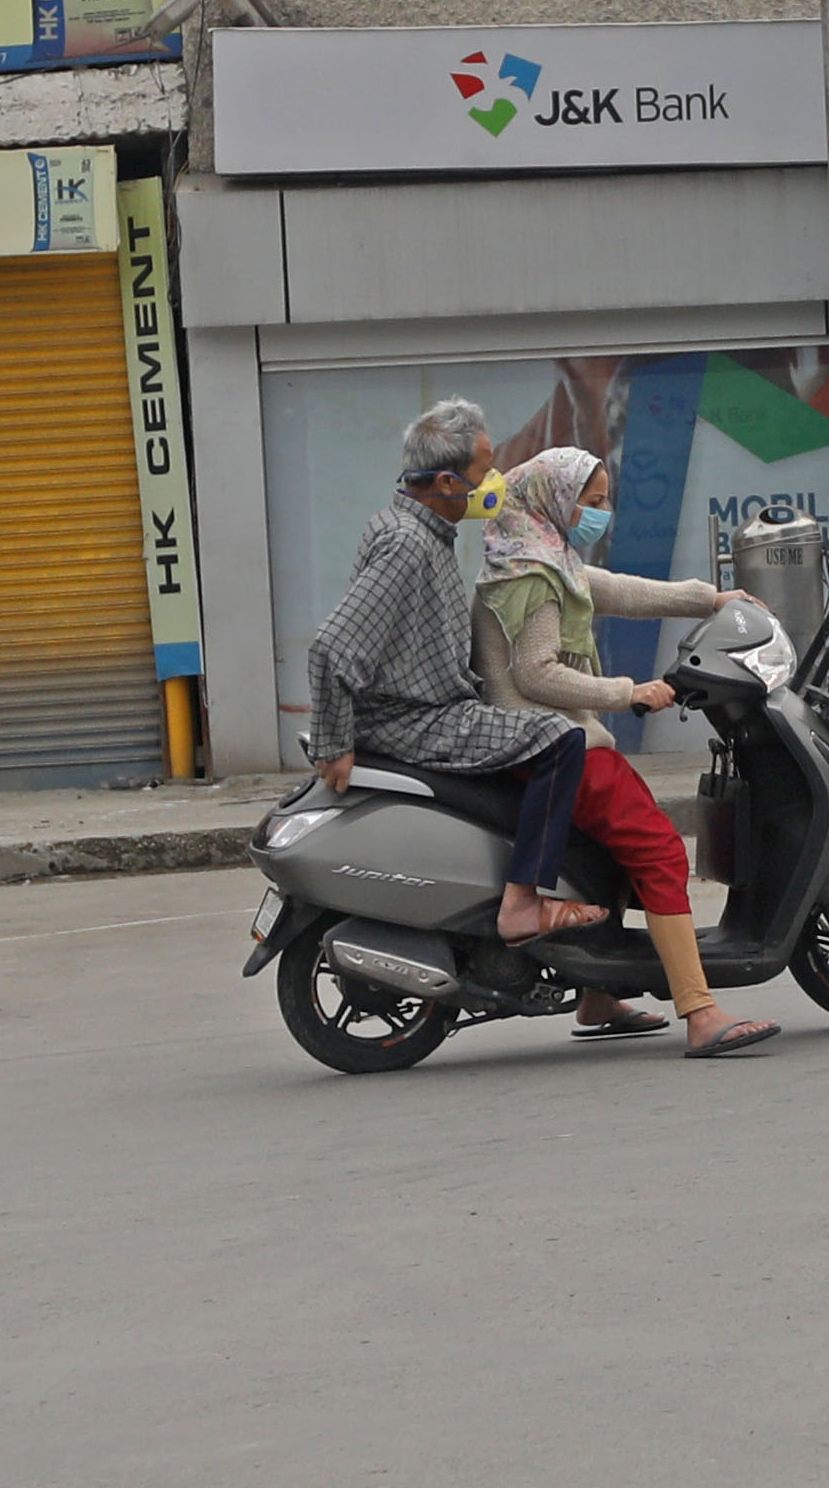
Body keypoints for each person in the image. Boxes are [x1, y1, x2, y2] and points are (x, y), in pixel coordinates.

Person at [476, 447, 774, 1057]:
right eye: (592, 502)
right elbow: (535, 675)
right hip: (558, 744)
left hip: (551, 741)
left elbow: (614, 590)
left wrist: (711, 600)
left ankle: (597, 994)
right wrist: (627, 692)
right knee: (661, 852)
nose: (601, 514)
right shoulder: (529, 579)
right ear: (553, 499)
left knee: (605, 856)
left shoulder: (537, 558)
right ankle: (700, 1011)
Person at [306, 401, 597, 943]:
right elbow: (331, 646)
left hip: (430, 708)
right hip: (417, 720)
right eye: (483, 470)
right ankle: (523, 905)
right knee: (561, 739)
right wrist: (334, 742)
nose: (493, 481)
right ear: (445, 480)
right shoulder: (408, 544)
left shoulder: (418, 531)